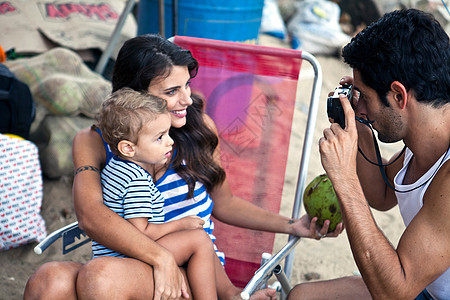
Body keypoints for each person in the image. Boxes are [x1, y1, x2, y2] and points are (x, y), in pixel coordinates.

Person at [24, 34, 344, 300]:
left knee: (100, 277)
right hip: (132, 264)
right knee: (47, 281)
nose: (187, 99)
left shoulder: (199, 128)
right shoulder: (94, 141)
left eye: (187, 85)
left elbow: (225, 202)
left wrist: (293, 225)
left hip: (191, 272)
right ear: (134, 96)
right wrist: (158, 257)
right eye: (172, 91)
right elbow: (91, 215)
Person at [288, 8, 450, 300]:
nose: (359, 105)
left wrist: (345, 179)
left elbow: (394, 291)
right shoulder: (429, 133)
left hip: (407, 286)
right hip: (423, 288)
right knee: (302, 296)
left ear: (399, 96)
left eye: (365, 96)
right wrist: (357, 122)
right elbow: (383, 194)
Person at [94, 87, 217, 299]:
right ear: (128, 148)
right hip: (129, 255)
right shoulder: (137, 181)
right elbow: (141, 233)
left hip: (113, 253)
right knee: (199, 240)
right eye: (160, 137)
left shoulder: (116, 168)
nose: (170, 141)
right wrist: (182, 223)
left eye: (168, 133)